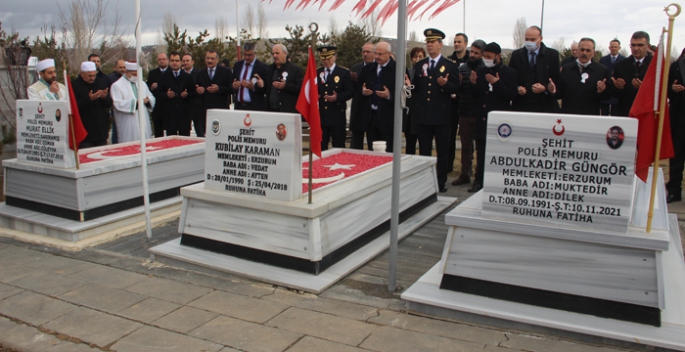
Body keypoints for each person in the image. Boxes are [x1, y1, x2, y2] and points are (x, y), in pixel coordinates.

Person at [410, 29, 460, 193]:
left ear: (440, 44)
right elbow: (416, 87)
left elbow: (456, 89)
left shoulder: (450, 65)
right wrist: (408, 85)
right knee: (424, 149)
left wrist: (446, 85)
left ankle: (441, 180)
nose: (430, 44)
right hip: (423, 115)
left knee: (442, 150)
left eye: (433, 42)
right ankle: (425, 178)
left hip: (441, 115)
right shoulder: (420, 65)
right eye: (428, 42)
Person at [469, 42, 518, 193]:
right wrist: (473, 84)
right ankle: (479, 181)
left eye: (489, 57)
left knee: (497, 153)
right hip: (483, 118)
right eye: (484, 56)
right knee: (481, 152)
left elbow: (511, 95)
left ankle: (496, 182)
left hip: (499, 121)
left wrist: (497, 83)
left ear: (498, 56)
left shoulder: (510, 73)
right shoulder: (481, 70)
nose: (486, 59)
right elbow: (476, 95)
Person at [548, 38, 612, 115]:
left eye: (588, 51)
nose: (584, 53)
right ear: (577, 51)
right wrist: (553, 91)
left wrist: (601, 91)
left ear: (593, 53)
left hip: (590, 116)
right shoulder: (566, 69)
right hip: (568, 115)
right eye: (582, 50)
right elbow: (560, 93)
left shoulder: (601, 70)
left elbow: (607, 96)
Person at [452, 39, 486, 186]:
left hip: (479, 114)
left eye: (476, 53)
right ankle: (465, 173)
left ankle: (479, 175)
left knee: (480, 147)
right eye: (471, 51)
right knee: (465, 146)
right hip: (464, 111)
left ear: (482, 54)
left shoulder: (485, 69)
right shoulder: (463, 68)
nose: (472, 55)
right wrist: (457, 83)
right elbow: (457, 90)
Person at [359, 42, 401, 152]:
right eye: (376, 53)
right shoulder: (367, 69)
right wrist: (362, 91)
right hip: (371, 117)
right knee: (373, 149)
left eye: (380, 54)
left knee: (388, 150)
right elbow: (357, 88)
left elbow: (404, 93)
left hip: (388, 118)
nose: (377, 57)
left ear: (389, 54)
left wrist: (389, 95)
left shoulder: (398, 69)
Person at [508, 26, 560, 113]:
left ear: (540, 38)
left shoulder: (552, 55)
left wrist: (545, 87)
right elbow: (511, 77)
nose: (529, 42)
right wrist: (518, 88)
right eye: (526, 39)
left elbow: (556, 79)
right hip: (521, 105)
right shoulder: (516, 55)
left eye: (532, 39)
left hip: (544, 105)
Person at [316, 45, 354, 150]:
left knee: (338, 145)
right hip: (322, 116)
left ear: (335, 57)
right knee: (321, 146)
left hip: (337, 115)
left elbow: (350, 91)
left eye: (328, 58)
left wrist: (337, 97)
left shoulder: (343, 73)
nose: (326, 61)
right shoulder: (317, 73)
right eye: (323, 58)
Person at [110, 61, 155, 143]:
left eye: (138, 74)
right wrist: (136, 103)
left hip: (143, 119)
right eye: (134, 74)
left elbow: (151, 96)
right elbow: (117, 103)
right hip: (128, 123)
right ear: (127, 72)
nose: (137, 76)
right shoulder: (117, 85)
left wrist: (148, 100)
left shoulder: (142, 83)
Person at [71, 61, 113, 148]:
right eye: (89, 76)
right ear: (81, 73)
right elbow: (74, 107)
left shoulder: (101, 83)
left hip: (101, 131)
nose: (92, 78)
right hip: (85, 133)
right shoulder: (74, 85)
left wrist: (104, 97)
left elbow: (109, 104)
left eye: (94, 75)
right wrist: (89, 99)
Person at [612, 31, 652, 117]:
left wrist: (644, 89)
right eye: (633, 45)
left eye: (640, 45)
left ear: (648, 46)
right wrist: (617, 87)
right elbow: (614, 94)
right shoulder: (621, 65)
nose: (636, 48)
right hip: (626, 111)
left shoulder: (654, 66)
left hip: (647, 112)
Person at [155, 51, 196, 136]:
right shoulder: (163, 76)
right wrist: (166, 95)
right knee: (171, 141)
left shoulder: (188, 77)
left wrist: (187, 95)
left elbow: (194, 93)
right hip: (170, 114)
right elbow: (158, 93)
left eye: (177, 61)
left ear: (181, 62)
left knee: (184, 141)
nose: (174, 63)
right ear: (169, 61)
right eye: (172, 60)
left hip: (184, 114)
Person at [196, 50, 235, 135]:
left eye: (212, 58)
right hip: (206, 112)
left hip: (221, 110)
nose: (209, 61)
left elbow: (232, 89)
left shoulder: (226, 72)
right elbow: (196, 90)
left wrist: (219, 89)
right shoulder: (200, 73)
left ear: (217, 60)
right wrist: (199, 91)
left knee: (222, 135)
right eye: (208, 58)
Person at [447, 33, 469, 173]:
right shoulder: (449, 60)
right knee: (449, 137)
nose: (456, 44)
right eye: (455, 42)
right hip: (452, 103)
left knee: (467, 139)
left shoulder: (471, 60)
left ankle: (466, 169)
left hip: (467, 103)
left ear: (465, 43)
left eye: (459, 42)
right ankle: (448, 166)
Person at [666, 48, 685, 203]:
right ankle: (674, 190)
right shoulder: (676, 66)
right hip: (679, 118)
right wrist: (672, 89)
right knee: (677, 156)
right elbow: (666, 90)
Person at [349, 43, 376, 150]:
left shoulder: (377, 68)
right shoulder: (355, 68)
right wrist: (361, 90)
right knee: (356, 144)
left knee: (372, 144)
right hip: (358, 110)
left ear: (374, 53)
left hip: (372, 112)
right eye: (363, 52)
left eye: (368, 52)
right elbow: (351, 88)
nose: (365, 54)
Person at [265, 44, 303, 113]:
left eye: (277, 53)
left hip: (287, 111)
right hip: (271, 111)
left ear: (285, 53)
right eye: (273, 53)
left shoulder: (295, 70)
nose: (275, 56)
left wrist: (286, 86)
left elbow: (300, 88)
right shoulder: (270, 69)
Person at [232, 42, 269, 111]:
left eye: (249, 55)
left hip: (254, 107)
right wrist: (234, 86)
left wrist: (254, 87)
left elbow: (266, 88)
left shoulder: (262, 67)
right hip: (239, 106)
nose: (247, 57)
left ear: (255, 54)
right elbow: (231, 82)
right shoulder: (237, 65)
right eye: (245, 54)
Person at [403, 46, 426, 155]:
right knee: (410, 142)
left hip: (422, 113)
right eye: (415, 56)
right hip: (410, 114)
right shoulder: (408, 72)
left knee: (424, 144)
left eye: (420, 56)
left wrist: (411, 86)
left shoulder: (427, 73)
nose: (417, 59)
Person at [599, 39, 625, 115]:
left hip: (617, 91)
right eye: (612, 47)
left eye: (615, 47)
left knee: (615, 114)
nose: (613, 48)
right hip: (606, 90)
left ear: (619, 48)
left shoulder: (624, 60)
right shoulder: (603, 60)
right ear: (609, 48)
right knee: (604, 114)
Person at [182, 54, 204, 137]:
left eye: (187, 61)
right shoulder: (180, 74)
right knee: (185, 132)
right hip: (184, 106)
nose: (185, 63)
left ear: (192, 62)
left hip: (196, 105)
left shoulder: (199, 73)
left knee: (199, 130)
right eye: (184, 61)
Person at [147, 53, 169, 137]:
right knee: (158, 131)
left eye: (163, 59)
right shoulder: (153, 73)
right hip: (157, 106)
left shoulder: (171, 72)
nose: (161, 61)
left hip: (168, 105)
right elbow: (147, 88)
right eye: (160, 59)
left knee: (170, 131)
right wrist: (151, 87)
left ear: (167, 60)